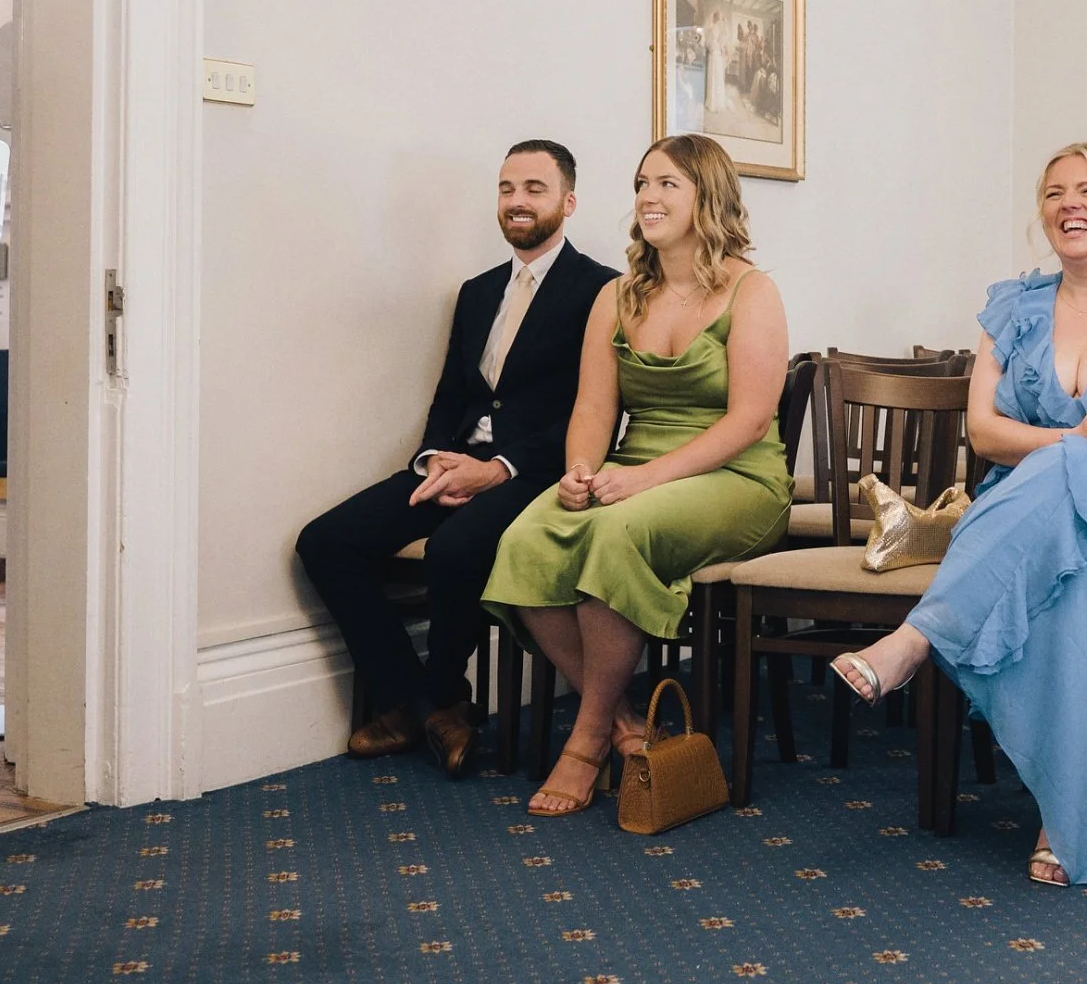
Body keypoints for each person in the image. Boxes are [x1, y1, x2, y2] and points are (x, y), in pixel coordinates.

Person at [826, 141, 1087, 888]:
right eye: (1054, 192)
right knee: (1071, 527)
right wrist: (1073, 442)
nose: (1068, 205)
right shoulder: (1011, 309)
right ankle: (1067, 806)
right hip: (1030, 509)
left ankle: (918, 638)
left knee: (1074, 474)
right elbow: (985, 434)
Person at [484, 134, 793, 817]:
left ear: (708, 196)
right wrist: (580, 471)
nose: (648, 197)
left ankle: (586, 739)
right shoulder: (617, 296)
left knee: (615, 532)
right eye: (642, 184)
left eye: (667, 184)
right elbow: (594, 407)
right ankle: (625, 722)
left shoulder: (752, 290)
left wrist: (645, 479)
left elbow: (749, 421)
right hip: (633, 469)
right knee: (527, 538)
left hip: (738, 477)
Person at [294, 141, 617, 774]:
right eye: (506, 188)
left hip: (537, 473)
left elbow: (593, 407)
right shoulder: (476, 291)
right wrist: (434, 460)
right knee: (325, 542)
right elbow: (451, 394)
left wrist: (498, 469)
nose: (517, 201)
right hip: (455, 463)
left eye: (534, 189)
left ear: (568, 202)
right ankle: (427, 704)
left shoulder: (601, 290)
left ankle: (433, 696)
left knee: (454, 549)